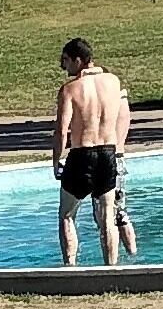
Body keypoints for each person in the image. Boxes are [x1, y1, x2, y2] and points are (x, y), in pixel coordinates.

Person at [53, 37, 126, 266]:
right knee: (107, 217)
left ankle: (70, 267)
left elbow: (61, 130)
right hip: (108, 153)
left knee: (66, 214)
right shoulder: (113, 82)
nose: (63, 67)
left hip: (82, 154)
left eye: (66, 61)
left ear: (78, 60)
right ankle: (111, 268)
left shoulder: (70, 89)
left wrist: (56, 161)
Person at [113, 86, 138, 257]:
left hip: (108, 158)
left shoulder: (111, 104)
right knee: (120, 212)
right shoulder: (122, 103)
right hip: (119, 158)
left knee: (109, 217)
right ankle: (132, 254)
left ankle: (112, 262)